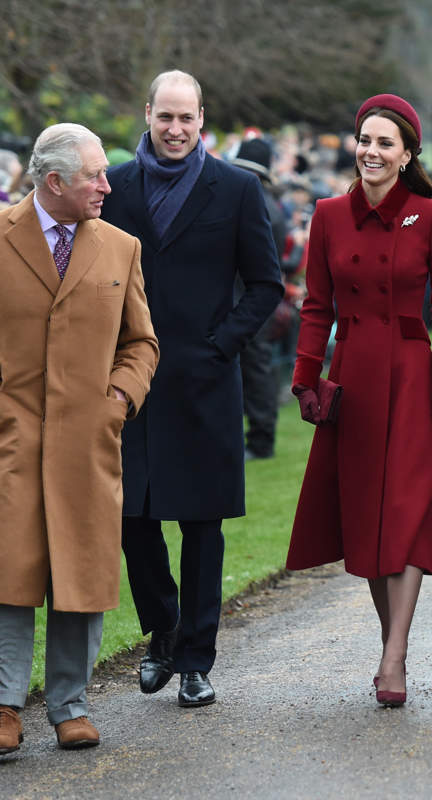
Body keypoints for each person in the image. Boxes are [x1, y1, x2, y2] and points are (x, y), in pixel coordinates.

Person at [101, 70, 283, 708]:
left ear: (203, 119)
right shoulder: (115, 186)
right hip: (132, 383)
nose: (175, 130)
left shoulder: (234, 188)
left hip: (207, 382)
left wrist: (221, 343)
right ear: (147, 114)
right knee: (132, 518)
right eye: (164, 117)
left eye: (186, 118)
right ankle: (162, 630)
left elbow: (266, 284)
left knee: (203, 526)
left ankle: (197, 661)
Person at [286, 94, 432, 708]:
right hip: (354, 378)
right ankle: (393, 643)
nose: (372, 151)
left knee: (407, 510)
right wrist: (306, 380)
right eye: (365, 140)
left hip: (413, 380)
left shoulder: (431, 216)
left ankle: (394, 657)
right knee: (367, 516)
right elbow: (316, 306)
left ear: (407, 154)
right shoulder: (329, 215)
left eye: (386, 142)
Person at [0, 123, 158, 753]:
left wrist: (117, 399)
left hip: (89, 444)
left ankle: (70, 705)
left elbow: (140, 342)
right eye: (94, 174)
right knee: (9, 575)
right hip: (13, 441)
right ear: (54, 181)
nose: (107, 184)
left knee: (80, 573)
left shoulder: (120, 247)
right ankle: (4, 705)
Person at [231, 137, 289, 459]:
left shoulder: (257, 205)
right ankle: (257, 437)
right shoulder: (270, 204)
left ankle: (261, 440)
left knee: (257, 369)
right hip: (256, 298)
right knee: (256, 369)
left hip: (249, 299)